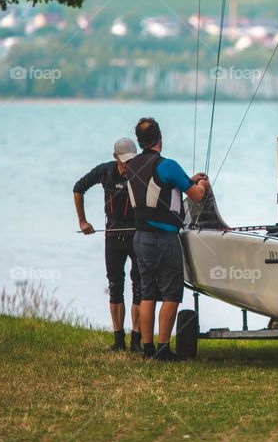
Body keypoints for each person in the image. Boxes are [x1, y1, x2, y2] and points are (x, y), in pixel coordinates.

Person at [126, 117, 211, 361]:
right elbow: (195, 196)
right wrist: (201, 184)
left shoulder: (132, 165)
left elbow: (158, 186)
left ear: (140, 141)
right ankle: (163, 348)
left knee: (147, 292)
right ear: (159, 138)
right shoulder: (168, 165)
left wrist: (188, 179)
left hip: (139, 238)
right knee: (171, 292)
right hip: (163, 238)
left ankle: (147, 348)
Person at [73, 137, 142, 352]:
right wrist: (82, 221)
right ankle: (119, 339)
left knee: (139, 286)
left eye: (131, 161)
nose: (127, 166)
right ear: (115, 157)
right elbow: (78, 188)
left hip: (137, 234)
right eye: (124, 162)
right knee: (115, 286)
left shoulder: (143, 172)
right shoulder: (105, 171)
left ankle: (137, 342)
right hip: (113, 235)